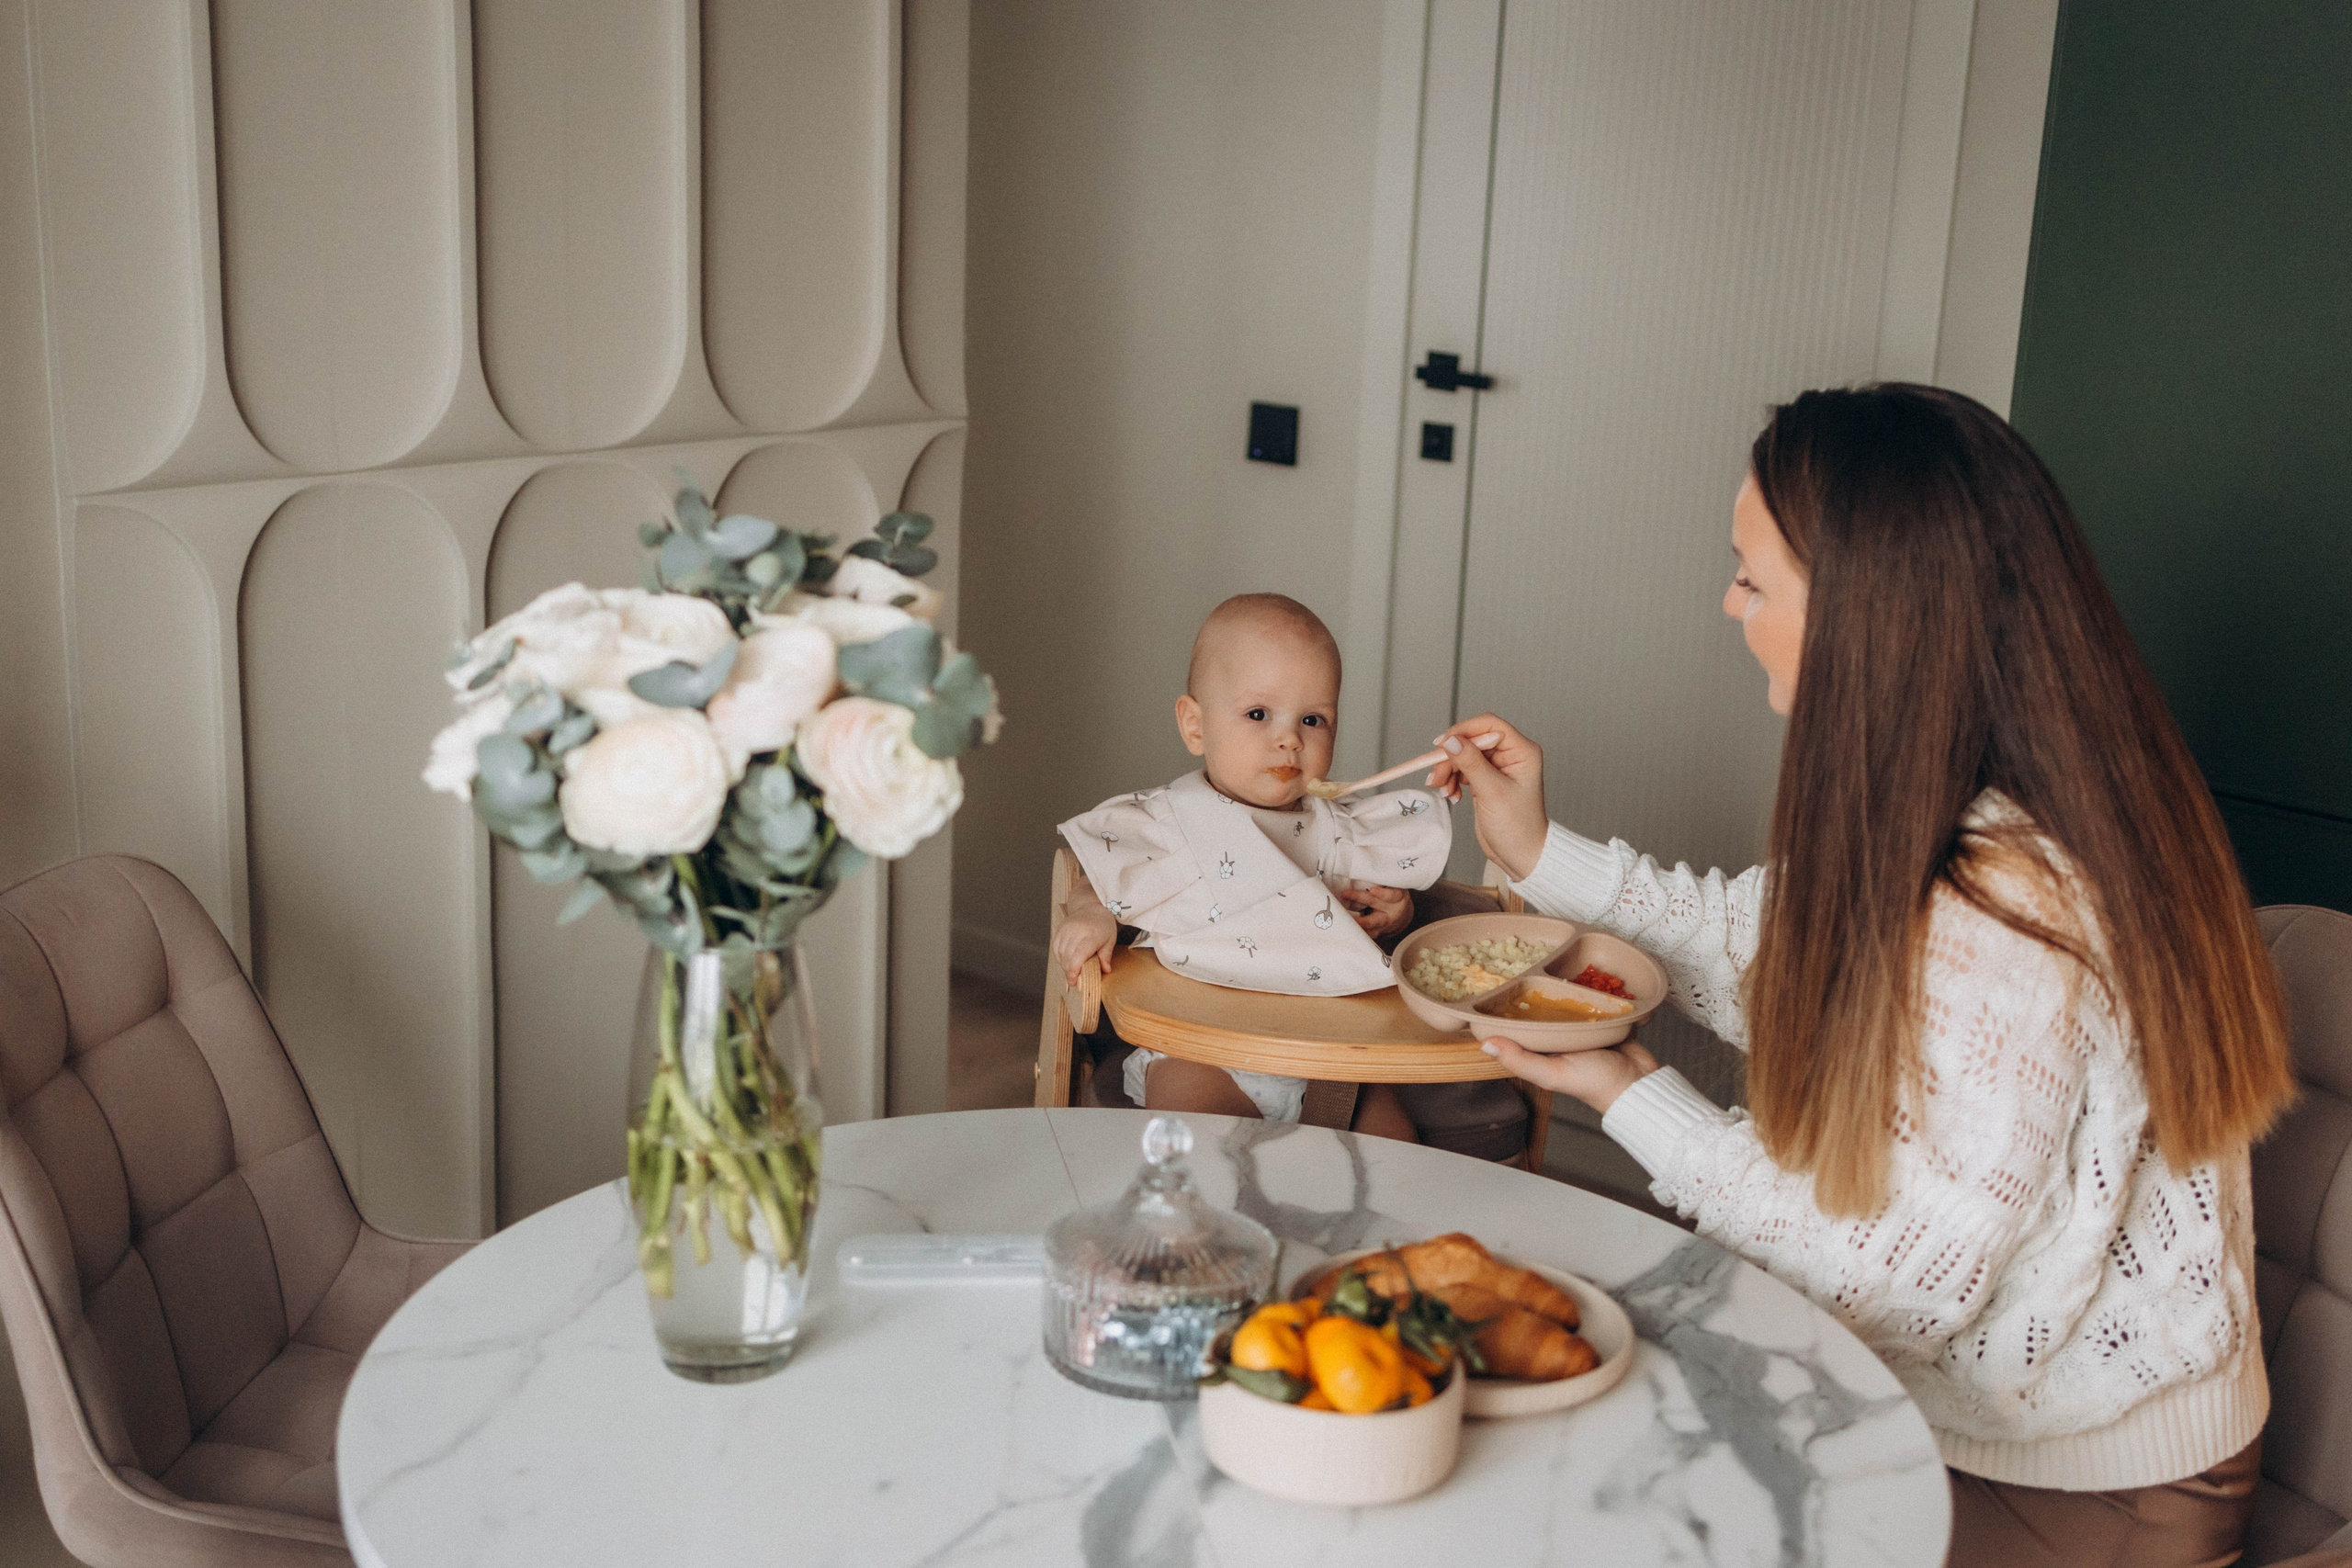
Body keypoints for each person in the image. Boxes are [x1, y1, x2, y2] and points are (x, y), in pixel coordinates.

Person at [1430, 385, 2295, 1567]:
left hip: (2095, 1482)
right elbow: (1759, 951)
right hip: (1969, 1414)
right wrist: (1537, 847)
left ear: (1862, 615)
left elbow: (1891, 1275)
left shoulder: (2018, 903)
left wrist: (1625, 1090)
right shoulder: (1955, 804)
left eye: (1752, 578)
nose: (1725, 602)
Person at [1054, 593, 1447, 1138]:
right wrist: (1093, 913)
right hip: (1203, 1053)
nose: (1290, 738)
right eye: (1258, 714)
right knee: (1198, 1151)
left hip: (1330, 1058)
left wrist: (1394, 914)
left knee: (1397, 1154)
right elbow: (1097, 869)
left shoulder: (1337, 827)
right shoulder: (1168, 824)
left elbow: (1367, 906)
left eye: (1313, 719)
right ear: (1195, 726)